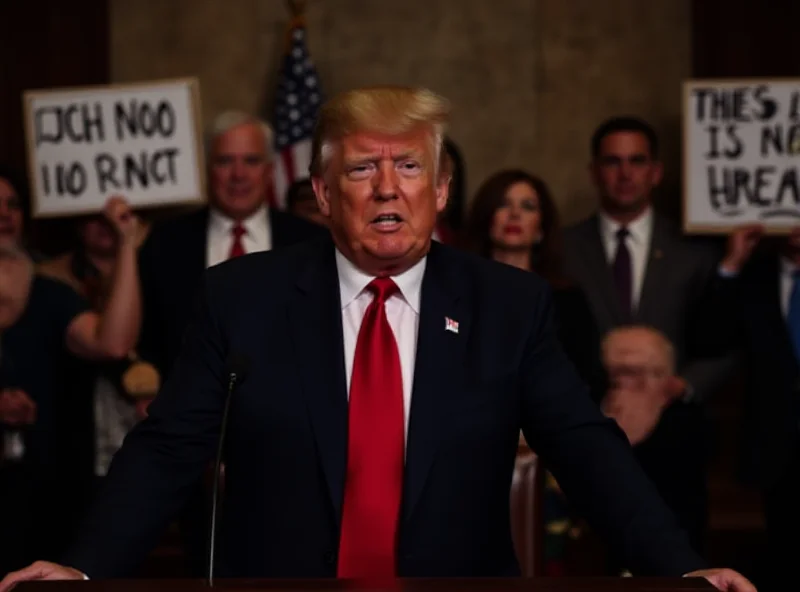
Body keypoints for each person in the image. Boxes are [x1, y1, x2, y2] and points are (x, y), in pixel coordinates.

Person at [0, 87, 754, 592]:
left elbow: (587, 449)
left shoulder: (506, 305)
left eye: (409, 168)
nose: (389, 187)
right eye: (363, 168)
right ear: (325, 195)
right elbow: (167, 449)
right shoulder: (244, 297)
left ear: (442, 190)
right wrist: (81, 567)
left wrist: (680, 570)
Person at [562, 116, 737, 557]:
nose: (625, 174)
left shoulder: (697, 249)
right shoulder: (562, 248)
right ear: (594, 171)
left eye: (637, 161)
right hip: (588, 431)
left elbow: (725, 341)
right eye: (613, 161)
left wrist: (678, 386)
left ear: (656, 171)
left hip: (674, 435)